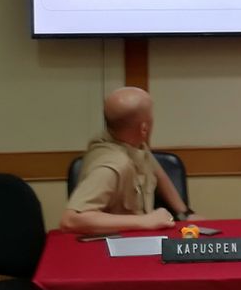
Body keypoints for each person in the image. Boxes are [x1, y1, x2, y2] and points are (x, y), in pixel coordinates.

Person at [60, 87, 200, 234]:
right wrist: (145, 221)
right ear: (144, 129)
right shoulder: (112, 166)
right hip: (115, 243)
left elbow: (157, 172)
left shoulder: (133, 143)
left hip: (139, 236)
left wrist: (185, 213)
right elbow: (70, 220)